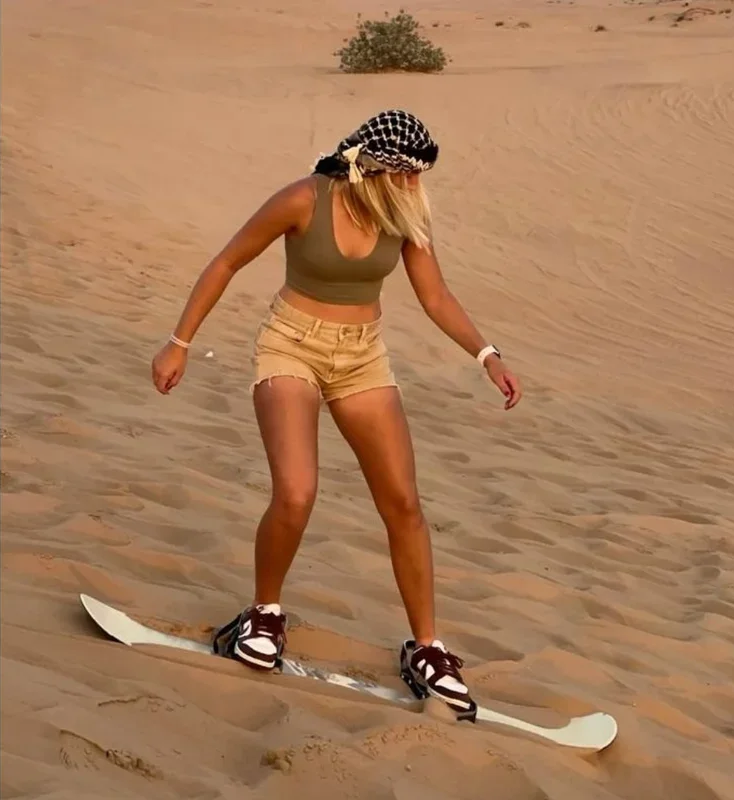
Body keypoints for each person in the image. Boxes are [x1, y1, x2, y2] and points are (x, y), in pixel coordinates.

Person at [151, 109, 522, 716]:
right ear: (375, 167)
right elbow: (226, 262)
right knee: (296, 492)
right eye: (405, 175)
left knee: (403, 502)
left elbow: (435, 295)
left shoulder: (406, 214)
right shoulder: (303, 199)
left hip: (362, 359)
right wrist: (180, 341)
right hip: (290, 344)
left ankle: (426, 649)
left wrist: (487, 355)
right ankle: (263, 614)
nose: (414, 187)